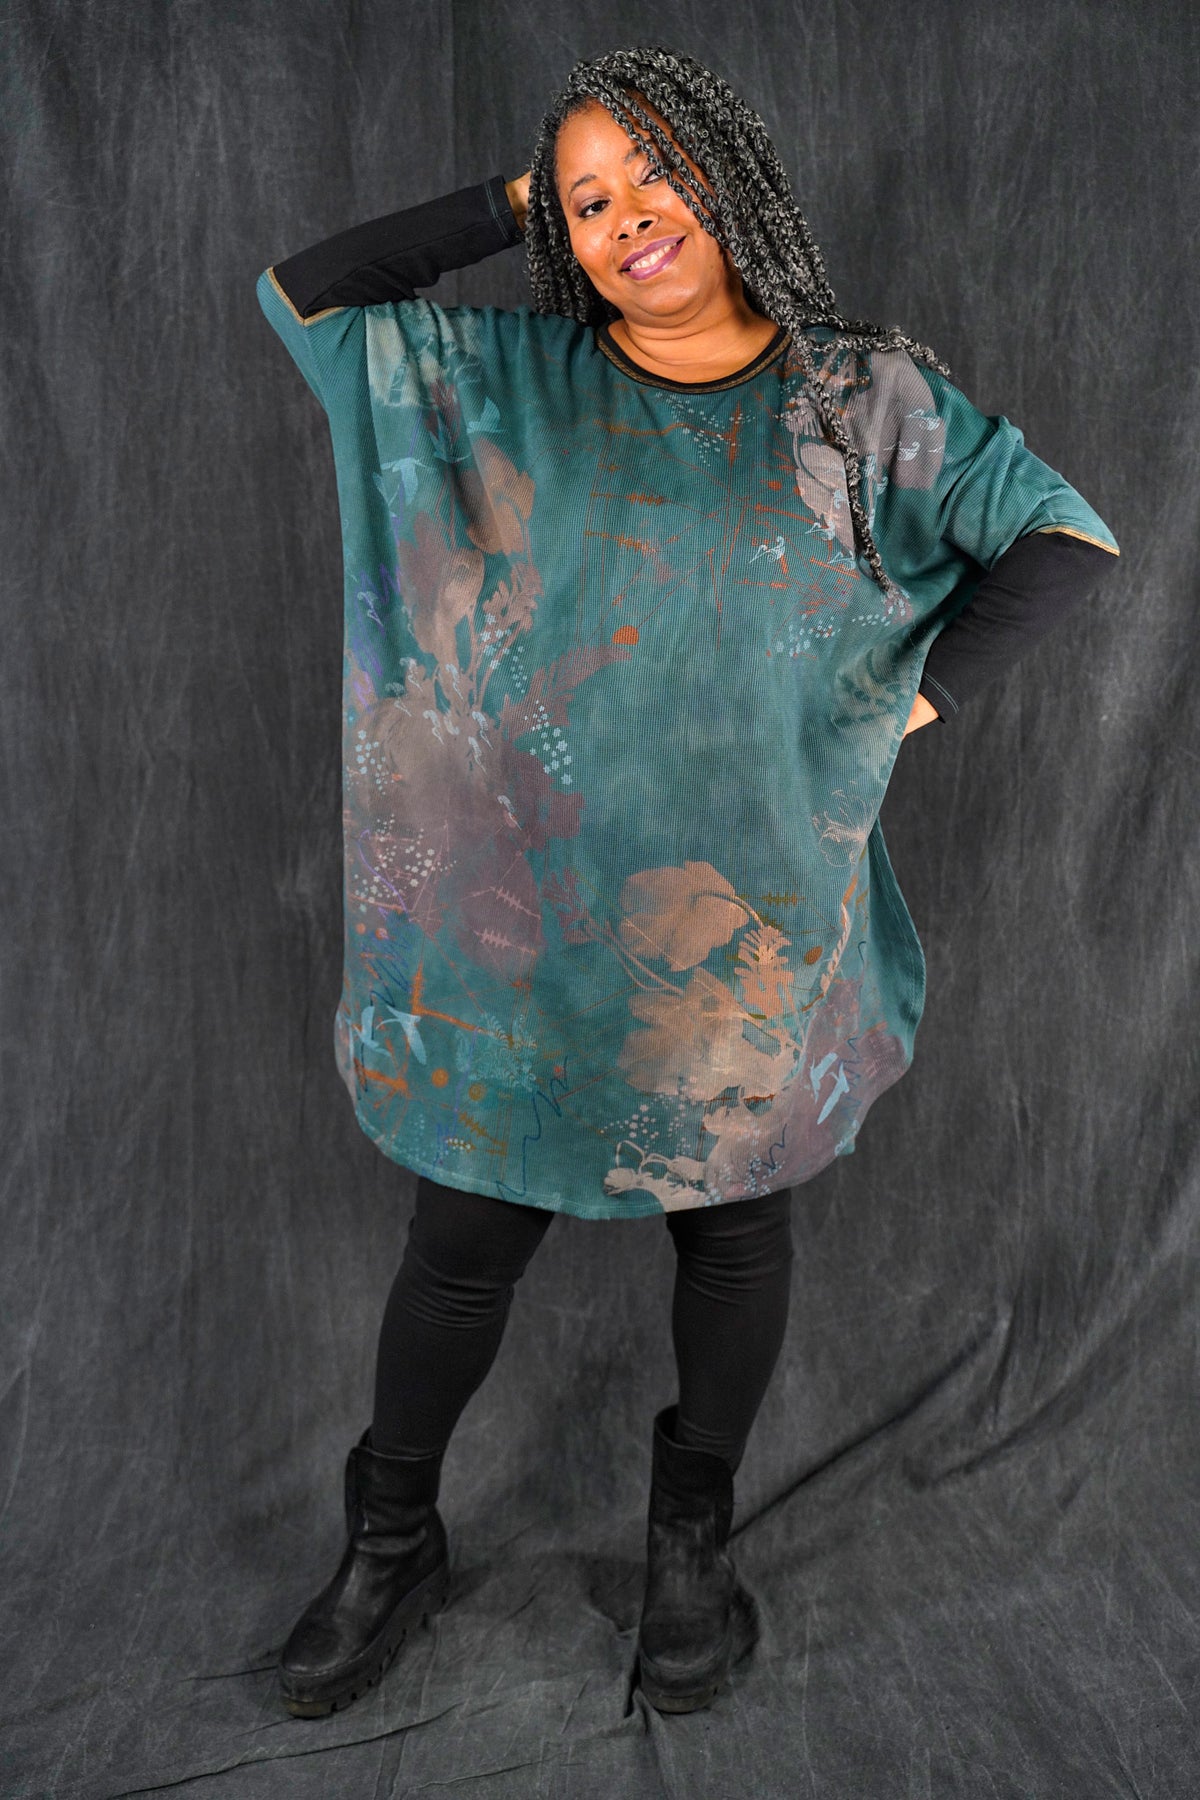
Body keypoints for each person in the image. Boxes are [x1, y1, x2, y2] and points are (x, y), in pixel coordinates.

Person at [254, 45, 1119, 1720]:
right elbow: (307, 297)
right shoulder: (501, 376)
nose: (628, 215)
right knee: (460, 1242)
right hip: (515, 947)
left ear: (730, 172)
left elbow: (1062, 537)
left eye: (655, 170)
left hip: (743, 939)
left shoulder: (862, 401)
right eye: (588, 202)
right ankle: (391, 1538)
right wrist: (519, 195)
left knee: (733, 1227)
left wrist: (910, 698)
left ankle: (692, 1537)